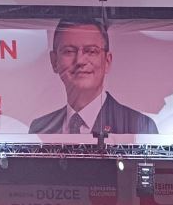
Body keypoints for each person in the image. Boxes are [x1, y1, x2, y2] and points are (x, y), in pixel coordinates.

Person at [29, 19, 158, 137]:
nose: (80, 61)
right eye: (69, 51)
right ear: (54, 61)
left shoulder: (139, 126)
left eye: (91, 51)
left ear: (107, 61)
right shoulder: (39, 129)